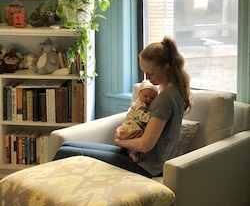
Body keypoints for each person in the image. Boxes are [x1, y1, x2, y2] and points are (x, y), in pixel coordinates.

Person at [53, 35, 192, 178]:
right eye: (144, 72)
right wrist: (125, 131)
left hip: (145, 166)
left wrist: (120, 142)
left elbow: (146, 145)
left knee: (66, 153)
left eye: (151, 73)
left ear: (166, 68)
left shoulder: (165, 99)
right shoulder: (169, 92)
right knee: (66, 146)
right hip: (140, 158)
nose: (146, 78)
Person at [117, 79, 158, 161]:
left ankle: (127, 150)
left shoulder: (146, 105)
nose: (148, 99)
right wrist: (149, 117)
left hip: (132, 124)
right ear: (139, 94)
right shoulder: (140, 103)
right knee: (140, 135)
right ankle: (133, 152)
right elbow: (139, 114)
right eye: (146, 96)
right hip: (131, 124)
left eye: (152, 98)